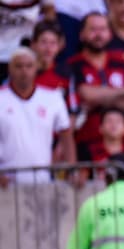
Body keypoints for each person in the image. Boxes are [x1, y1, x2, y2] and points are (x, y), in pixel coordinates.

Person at [67, 12, 124, 160]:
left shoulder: (121, 60)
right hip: (87, 144)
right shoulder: (73, 64)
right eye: (93, 30)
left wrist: (101, 97)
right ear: (82, 34)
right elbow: (86, 95)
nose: (98, 35)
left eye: (103, 29)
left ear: (110, 33)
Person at [0, 47, 75, 185]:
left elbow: (66, 134)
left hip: (42, 179)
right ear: (10, 69)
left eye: (29, 66)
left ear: (36, 68)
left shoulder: (52, 98)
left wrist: (72, 169)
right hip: (5, 181)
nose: (24, 71)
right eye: (19, 66)